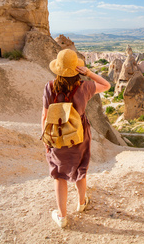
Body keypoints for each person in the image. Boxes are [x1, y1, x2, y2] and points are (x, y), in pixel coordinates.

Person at [42, 49, 110, 228]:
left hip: (57, 136)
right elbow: (106, 85)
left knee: (59, 174)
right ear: (76, 69)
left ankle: (62, 216)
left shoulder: (50, 87)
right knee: (81, 167)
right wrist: (88, 73)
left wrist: (46, 140)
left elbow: (45, 116)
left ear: (58, 69)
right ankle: (81, 203)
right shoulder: (85, 86)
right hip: (79, 135)